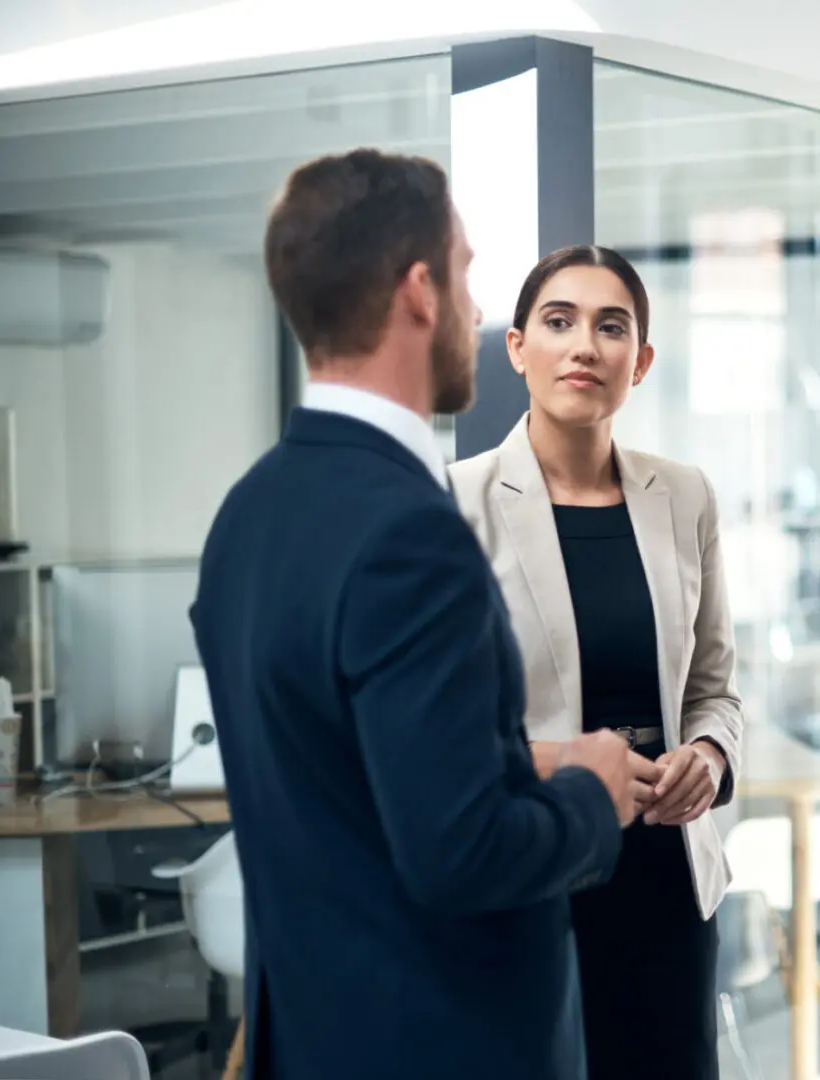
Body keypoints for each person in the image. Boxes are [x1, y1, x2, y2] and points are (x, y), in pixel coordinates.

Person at [189, 151, 637, 1080]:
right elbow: (461, 854)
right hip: (439, 1043)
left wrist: (514, 759)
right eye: (469, 271)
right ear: (421, 290)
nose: (480, 310)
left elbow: (346, 789)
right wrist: (591, 790)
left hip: (311, 1041)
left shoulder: (246, 515)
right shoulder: (409, 535)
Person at [450, 244, 742, 1080]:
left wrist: (710, 756)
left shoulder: (684, 495)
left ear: (640, 361)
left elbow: (716, 688)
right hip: (538, 878)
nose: (585, 346)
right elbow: (450, 727)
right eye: (559, 321)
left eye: (612, 328)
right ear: (516, 349)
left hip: (669, 875)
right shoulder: (455, 503)